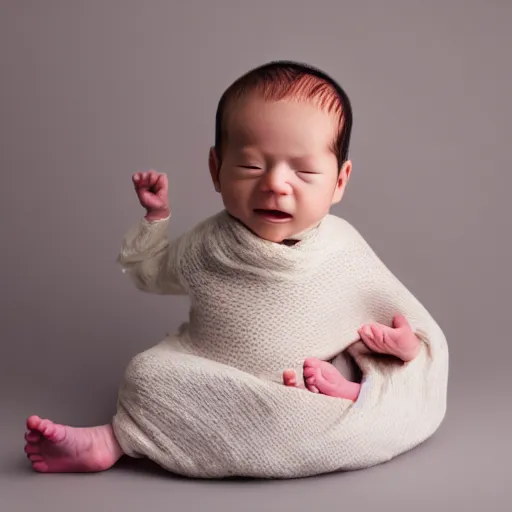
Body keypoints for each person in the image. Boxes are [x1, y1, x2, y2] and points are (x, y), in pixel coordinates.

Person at [24, 61, 448, 478]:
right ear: (216, 169)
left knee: (371, 368)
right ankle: (113, 440)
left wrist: (403, 344)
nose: (276, 184)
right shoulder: (208, 245)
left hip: (308, 383)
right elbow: (150, 273)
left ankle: (342, 400)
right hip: (218, 379)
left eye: (303, 171)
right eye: (251, 166)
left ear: (339, 181)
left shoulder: (342, 247)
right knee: (146, 376)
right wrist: (157, 218)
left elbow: (408, 325)